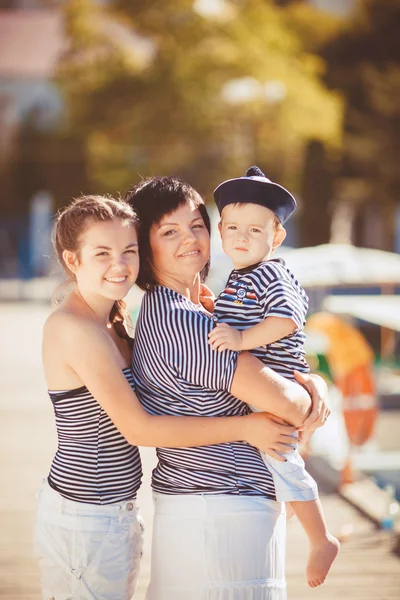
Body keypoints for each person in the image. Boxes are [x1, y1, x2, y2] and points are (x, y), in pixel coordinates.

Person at [36, 194, 305, 600]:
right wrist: (248, 427)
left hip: (117, 511)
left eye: (129, 251)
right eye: (102, 253)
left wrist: (309, 384)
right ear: (73, 260)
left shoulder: (114, 318)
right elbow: (139, 429)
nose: (120, 265)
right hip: (83, 516)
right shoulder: (73, 327)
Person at [124, 176, 330, 600]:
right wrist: (314, 391)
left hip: (219, 510)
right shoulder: (184, 321)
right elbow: (288, 405)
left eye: (197, 224)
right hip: (220, 511)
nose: (191, 239)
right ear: (145, 248)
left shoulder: (199, 309)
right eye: (169, 231)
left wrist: (315, 385)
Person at [208, 165, 340, 588]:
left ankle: (321, 539)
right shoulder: (236, 277)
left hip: (277, 383)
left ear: (276, 236)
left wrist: (242, 338)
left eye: (254, 230)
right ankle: (287, 515)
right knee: (277, 464)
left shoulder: (272, 273)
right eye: (231, 228)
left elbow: (284, 321)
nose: (241, 238)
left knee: (285, 463)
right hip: (263, 388)